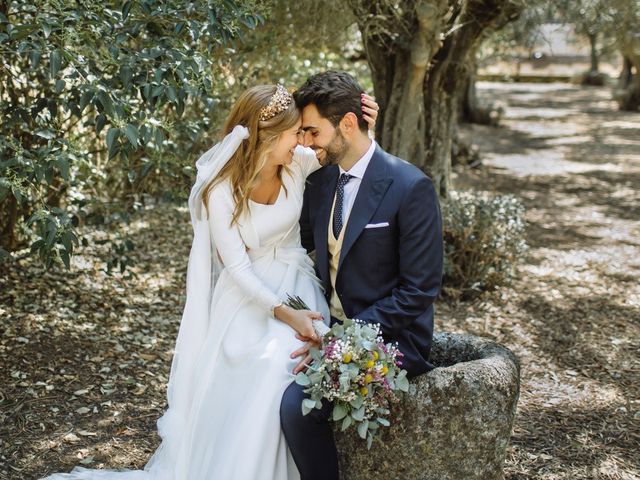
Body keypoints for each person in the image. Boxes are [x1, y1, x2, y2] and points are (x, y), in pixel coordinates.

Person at [41, 84, 378, 479]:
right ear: (268, 138)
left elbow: (353, 158)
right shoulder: (220, 189)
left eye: (303, 134)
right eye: (294, 133)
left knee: (283, 369)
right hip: (251, 296)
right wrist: (288, 316)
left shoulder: (298, 163)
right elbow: (237, 268)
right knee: (261, 371)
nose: (301, 140)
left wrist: (369, 125)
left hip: (298, 286)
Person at [280, 71, 443, 480]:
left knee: (295, 409)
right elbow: (290, 245)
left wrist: (342, 337)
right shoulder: (320, 182)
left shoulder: (410, 186)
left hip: (392, 338)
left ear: (347, 124)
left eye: (313, 131)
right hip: (326, 323)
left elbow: (419, 290)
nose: (305, 142)